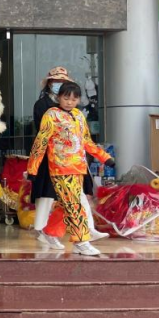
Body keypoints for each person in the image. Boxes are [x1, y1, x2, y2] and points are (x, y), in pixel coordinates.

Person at [28, 82, 115, 257]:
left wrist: (104, 157)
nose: (69, 102)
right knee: (74, 205)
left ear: (79, 100)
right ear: (59, 97)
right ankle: (81, 241)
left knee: (66, 205)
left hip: (78, 168)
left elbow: (86, 141)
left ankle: (50, 232)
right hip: (60, 168)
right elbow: (41, 142)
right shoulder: (51, 115)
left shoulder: (78, 115)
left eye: (74, 99)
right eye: (66, 98)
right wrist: (33, 167)